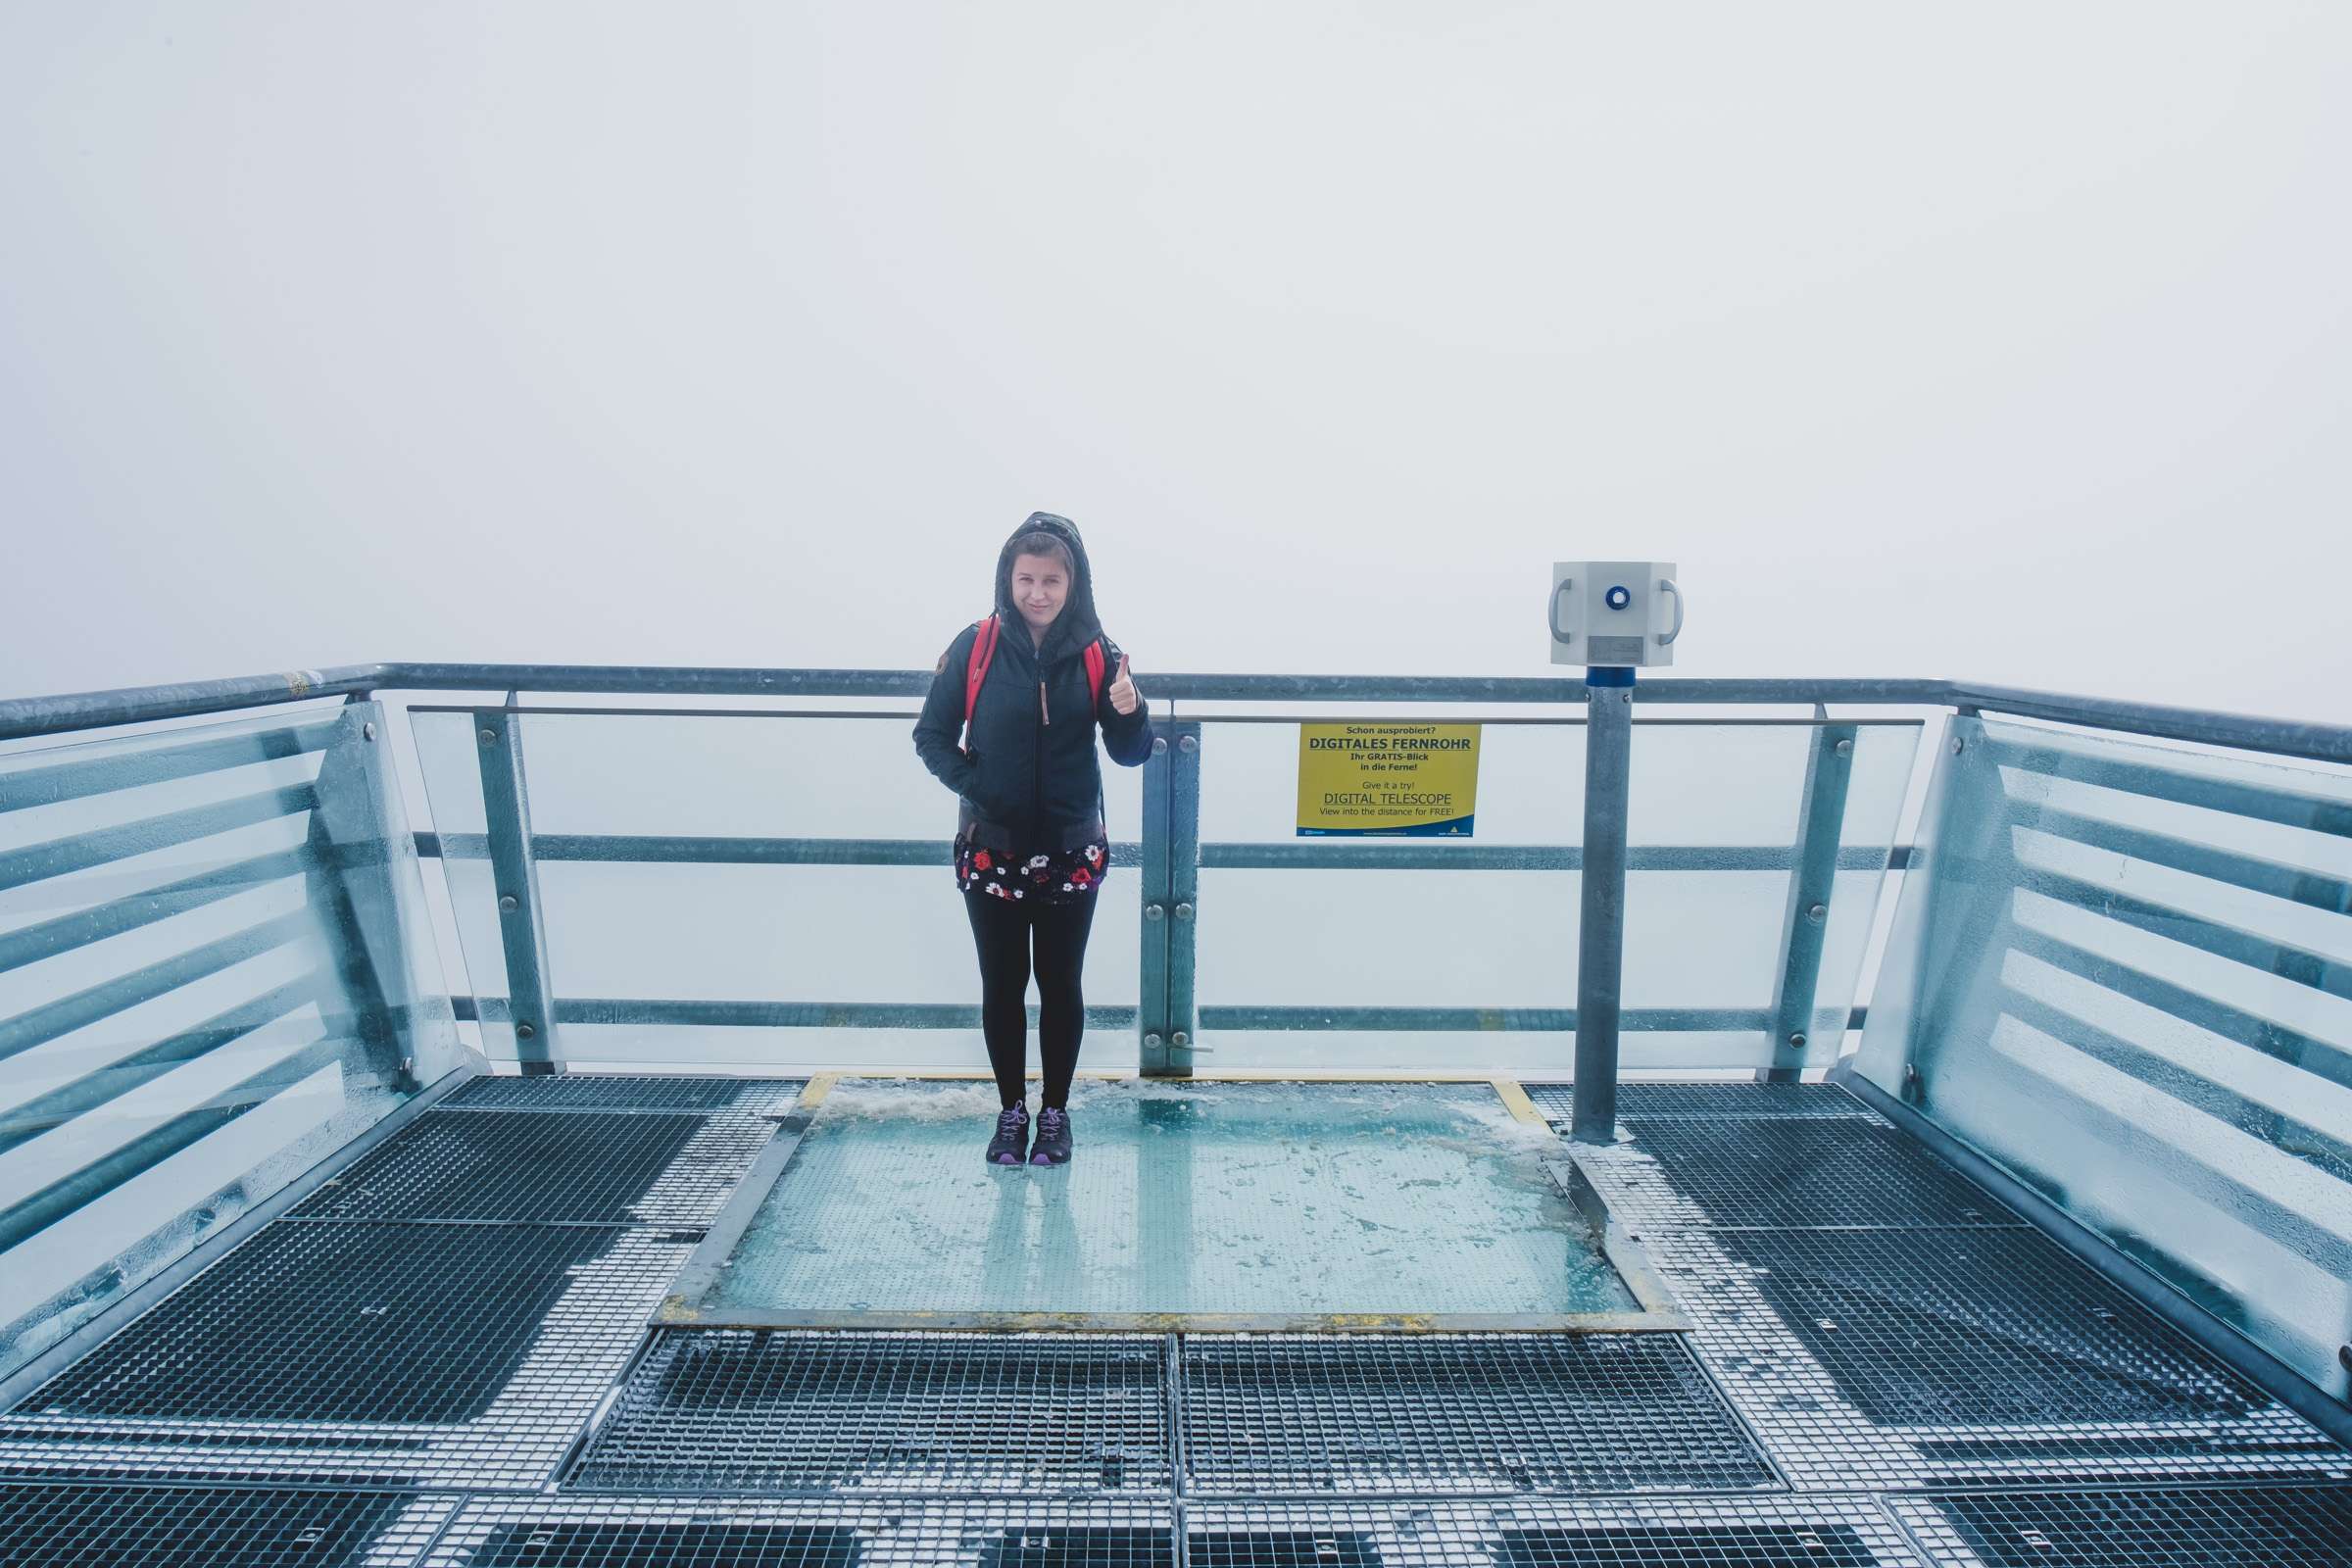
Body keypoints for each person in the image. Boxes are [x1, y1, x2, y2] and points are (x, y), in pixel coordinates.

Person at [913, 513, 1153, 1167]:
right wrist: (980, 786)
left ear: (1074, 584)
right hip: (991, 847)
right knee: (1002, 984)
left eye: (1052, 580)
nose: (1038, 593)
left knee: (1060, 983)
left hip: (1071, 849)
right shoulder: (977, 646)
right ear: (1007, 579)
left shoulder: (1101, 654)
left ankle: (1055, 1115)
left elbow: (1131, 753)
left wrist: (1134, 712)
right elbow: (931, 736)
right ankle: (1010, 1112)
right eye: (1026, 579)